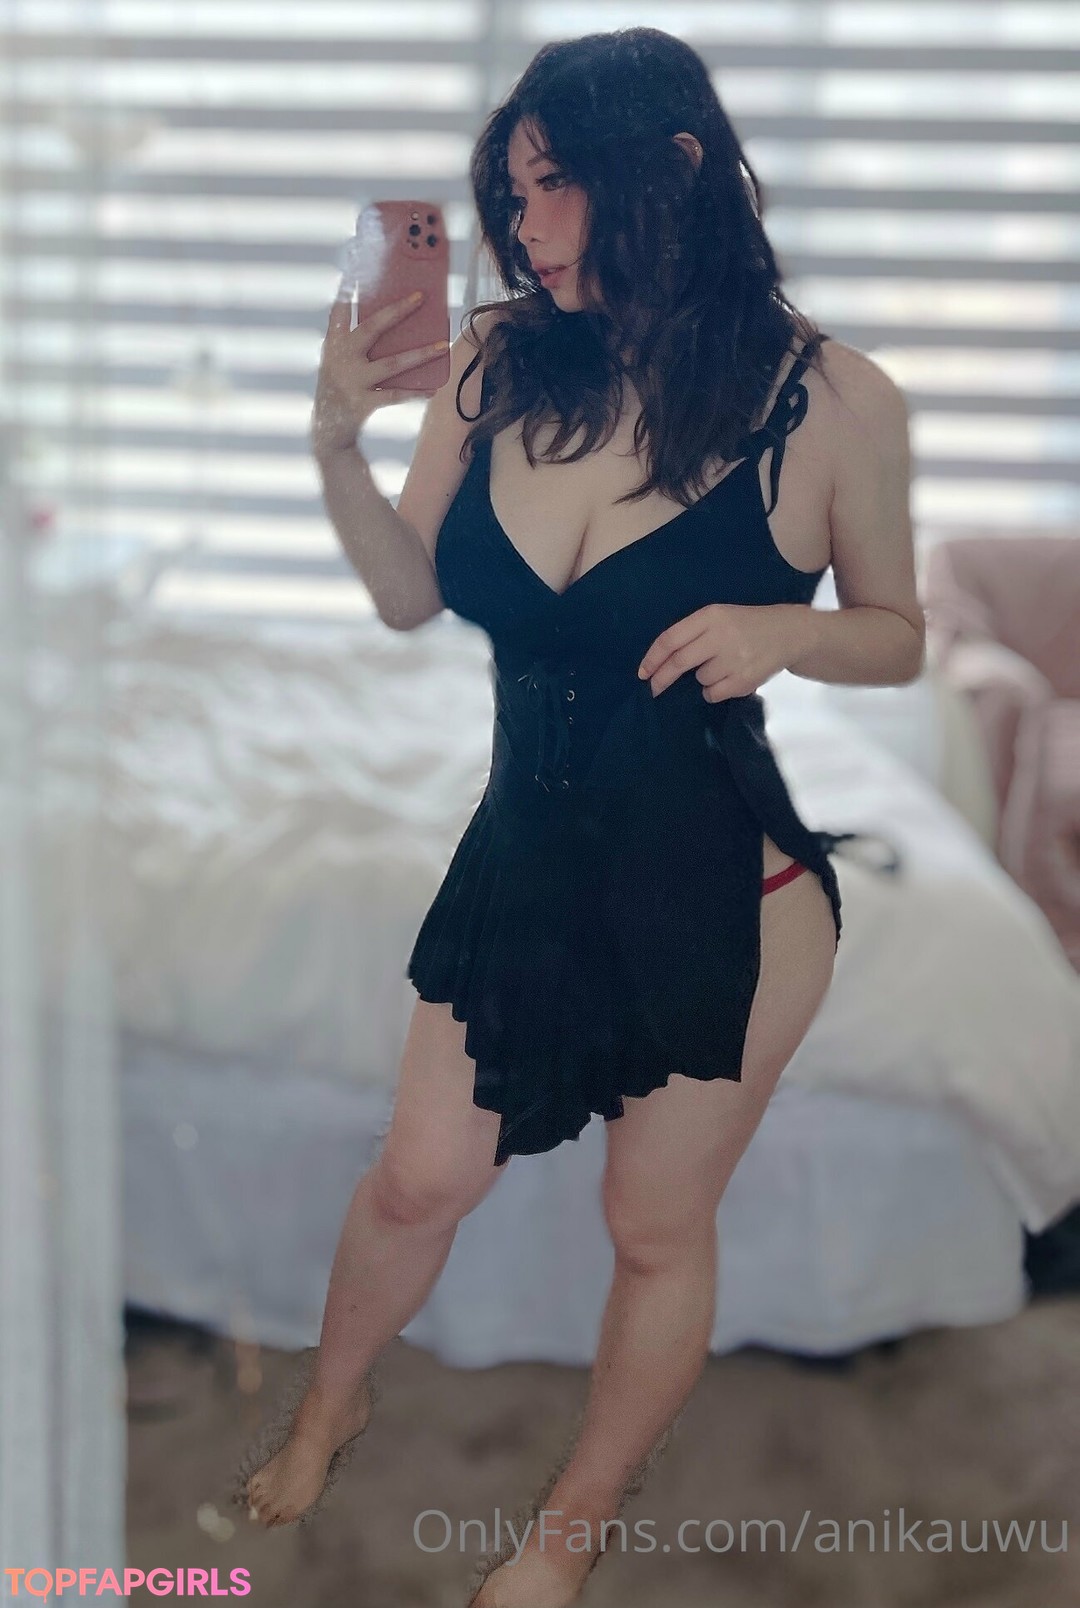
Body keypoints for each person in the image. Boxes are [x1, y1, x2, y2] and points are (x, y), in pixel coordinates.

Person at [238, 25, 924, 1607]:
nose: (526, 229)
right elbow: (409, 596)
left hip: (726, 890)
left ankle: (569, 1532)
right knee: (418, 1178)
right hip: (527, 855)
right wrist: (333, 444)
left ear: (672, 169)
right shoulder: (496, 360)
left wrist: (790, 630)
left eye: (557, 188)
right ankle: (329, 1411)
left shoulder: (835, 401)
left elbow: (900, 635)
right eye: (512, 193)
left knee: (653, 1226)